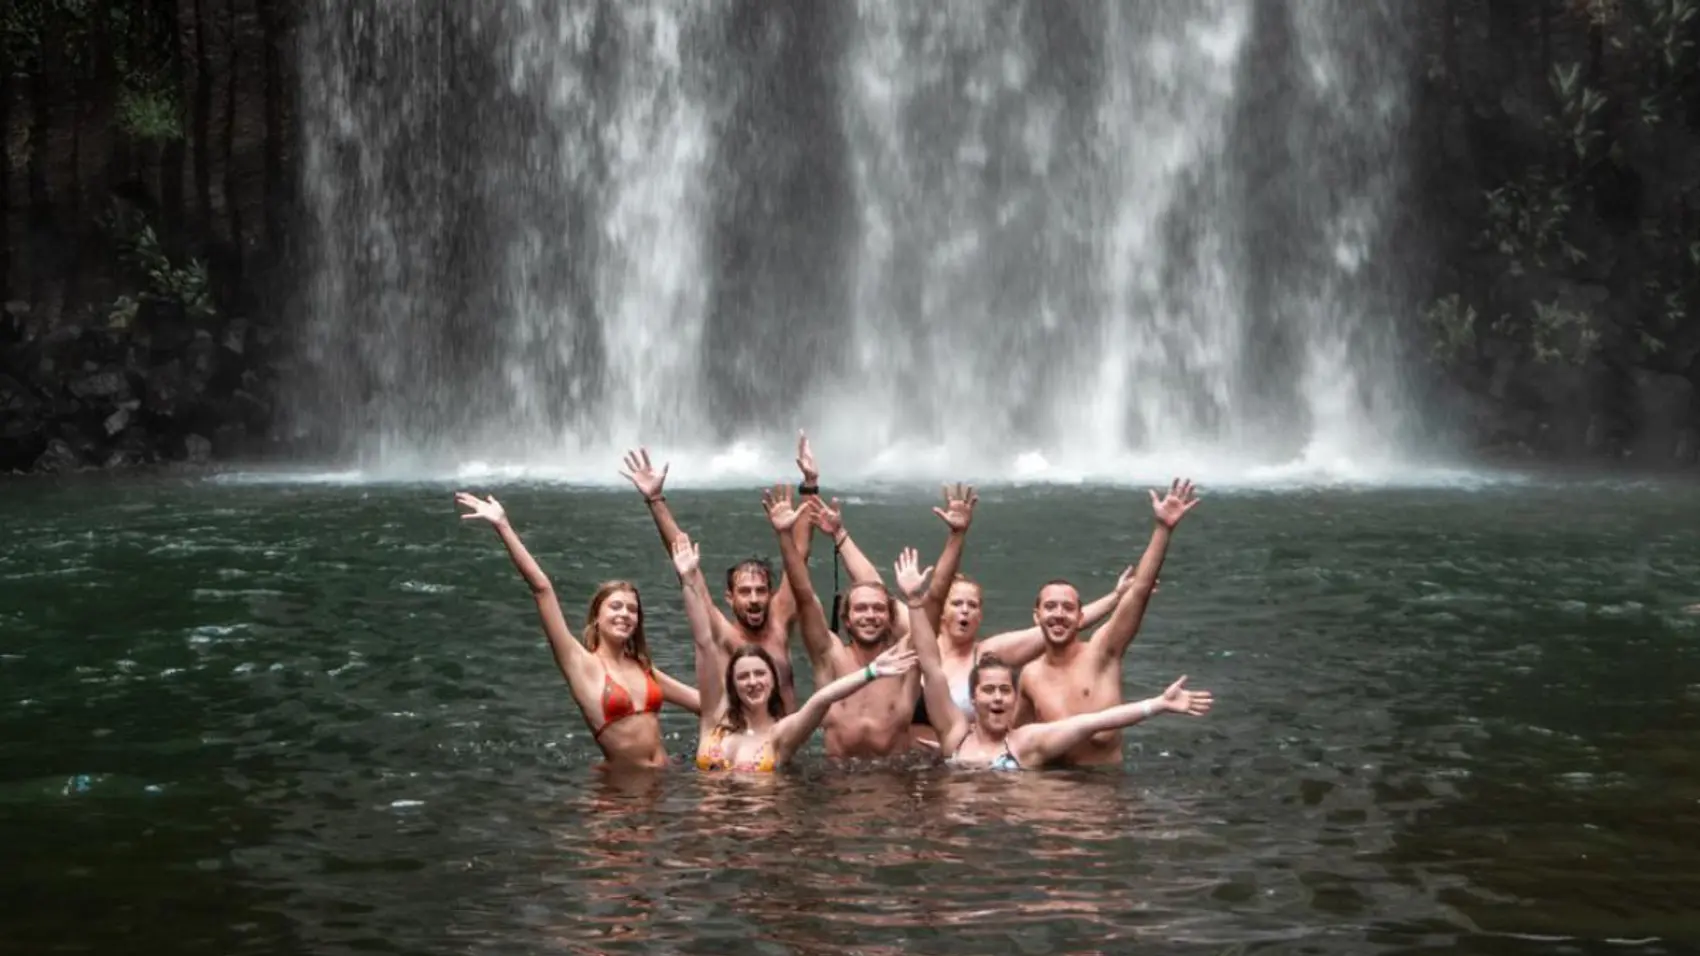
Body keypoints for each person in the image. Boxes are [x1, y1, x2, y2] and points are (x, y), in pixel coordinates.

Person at [893, 548, 1212, 771]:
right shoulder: (955, 740)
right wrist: (913, 600)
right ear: (972, 699)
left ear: (1016, 697)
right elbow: (931, 666)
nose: (997, 697)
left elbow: (1095, 720)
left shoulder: (1024, 742)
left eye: (1005, 690)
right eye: (989, 691)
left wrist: (1157, 704)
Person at [455, 492, 700, 769]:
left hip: (664, 780)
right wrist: (502, 525)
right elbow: (542, 589)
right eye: (616, 607)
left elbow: (703, 704)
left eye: (632, 610)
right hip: (620, 793)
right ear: (597, 617)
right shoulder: (579, 663)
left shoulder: (644, 669)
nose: (624, 614)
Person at [670, 531, 917, 772]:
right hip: (712, 815)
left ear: (773, 683)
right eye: (743, 677)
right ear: (731, 684)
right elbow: (703, 640)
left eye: (760, 674)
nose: (752, 682)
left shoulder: (781, 733)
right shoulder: (713, 718)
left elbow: (821, 699)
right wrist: (689, 580)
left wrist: (871, 672)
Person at [619, 434, 827, 713]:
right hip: (739, 749)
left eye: (760, 590)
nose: (754, 599)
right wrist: (655, 500)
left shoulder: (780, 621)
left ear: (770, 594)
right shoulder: (723, 634)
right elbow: (686, 566)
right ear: (729, 598)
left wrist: (810, 484)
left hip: (785, 747)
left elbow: (799, 555)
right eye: (744, 591)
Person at [1014, 478, 1203, 767]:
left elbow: (1139, 591)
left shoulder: (1103, 652)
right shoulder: (1029, 676)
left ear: (1080, 617)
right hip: (1053, 792)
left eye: (1068, 608)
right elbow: (1012, 740)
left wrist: (1163, 529)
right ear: (1036, 615)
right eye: (1050, 607)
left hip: (1105, 791)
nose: (1059, 615)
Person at [765, 484, 923, 759]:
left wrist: (840, 535)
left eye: (878, 609)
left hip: (894, 785)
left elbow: (925, 618)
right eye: (861, 609)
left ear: (890, 616)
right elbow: (803, 595)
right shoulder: (830, 656)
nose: (870, 616)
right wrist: (784, 537)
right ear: (846, 620)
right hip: (836, 784)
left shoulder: (906, 657)